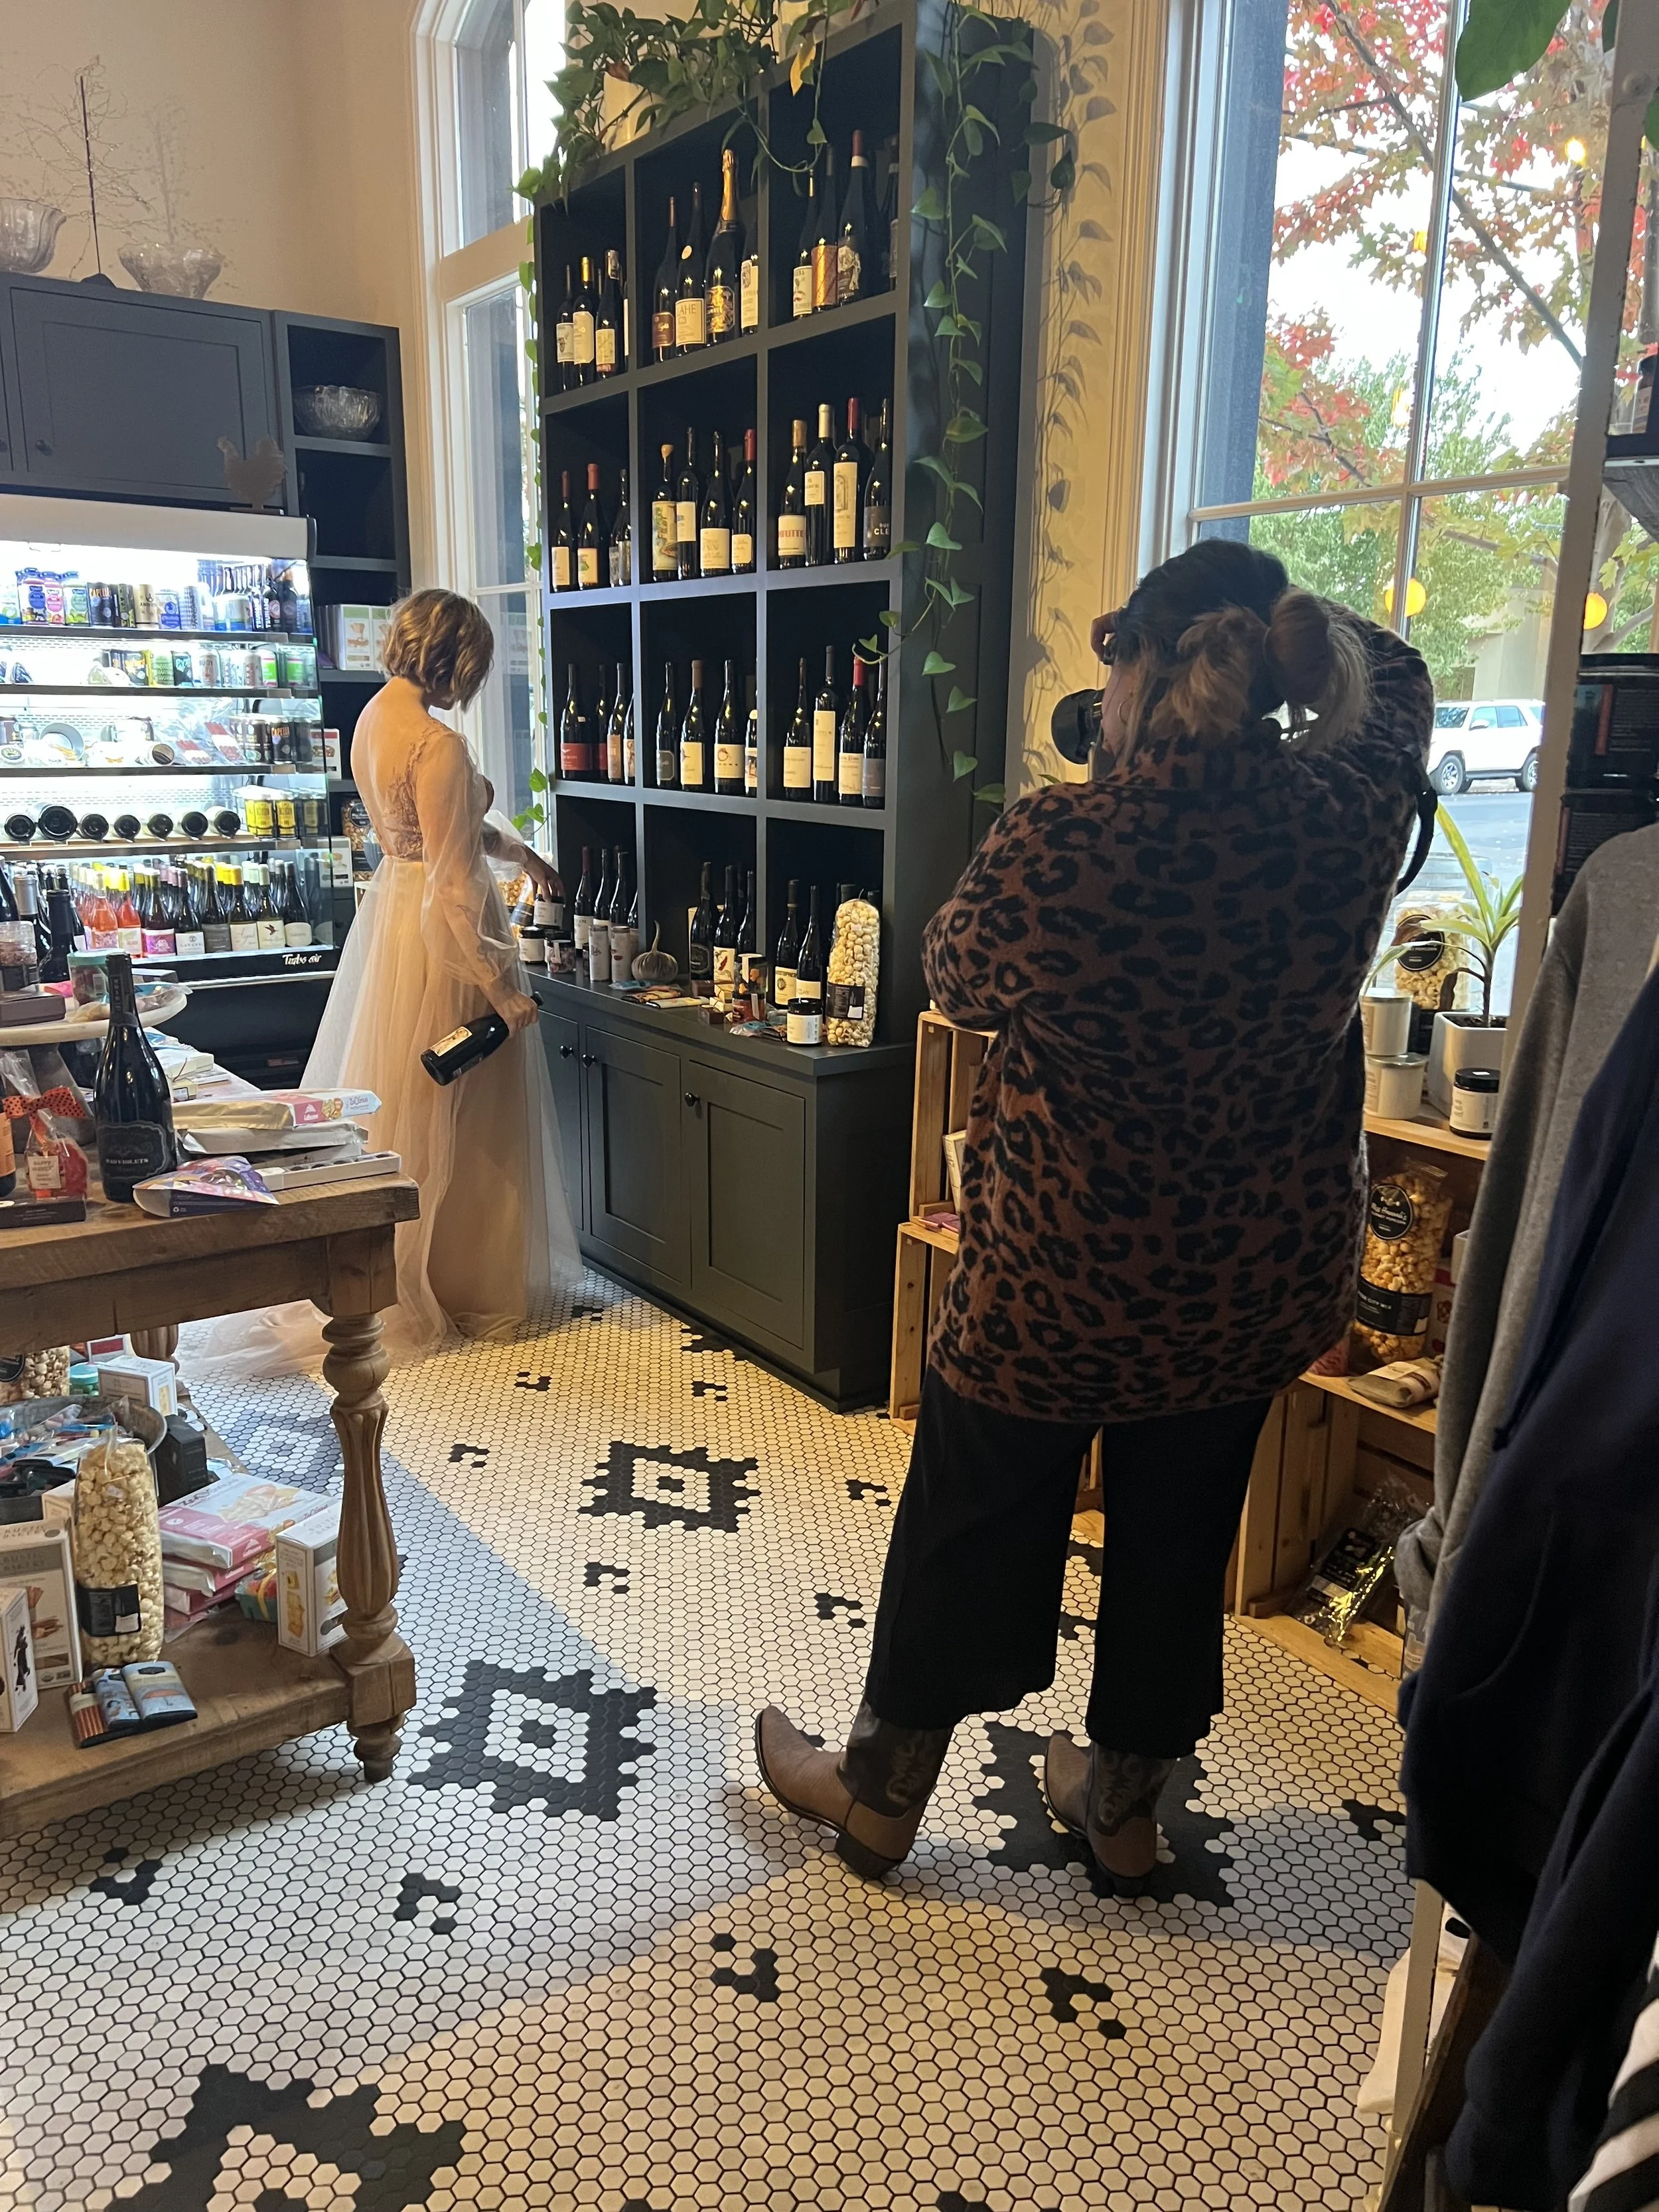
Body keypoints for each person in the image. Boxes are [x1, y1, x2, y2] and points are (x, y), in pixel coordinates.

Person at [756, 539, 1433, 1887]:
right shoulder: (1346, 814)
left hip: (1059, 1282)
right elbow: (1399, 680)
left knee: (966, 1518)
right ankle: (1123, 1814)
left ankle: (880, 1796)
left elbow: (954, 977)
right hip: (1252, 1282)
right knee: (1178, 1539)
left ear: (1141, 667)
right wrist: (1305, 644)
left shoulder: (1068, 840)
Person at [181, 590, 579, 1378]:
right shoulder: (437, 743)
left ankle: (385, 1268)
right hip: (444, 935)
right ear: (455, 659)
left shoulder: (373, 719)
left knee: (400, 1098)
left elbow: (437, 835)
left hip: (395, 918)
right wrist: (501, 988)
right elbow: (455, 879)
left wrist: (524, 856)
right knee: (466, 1109)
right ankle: (458, 1282)